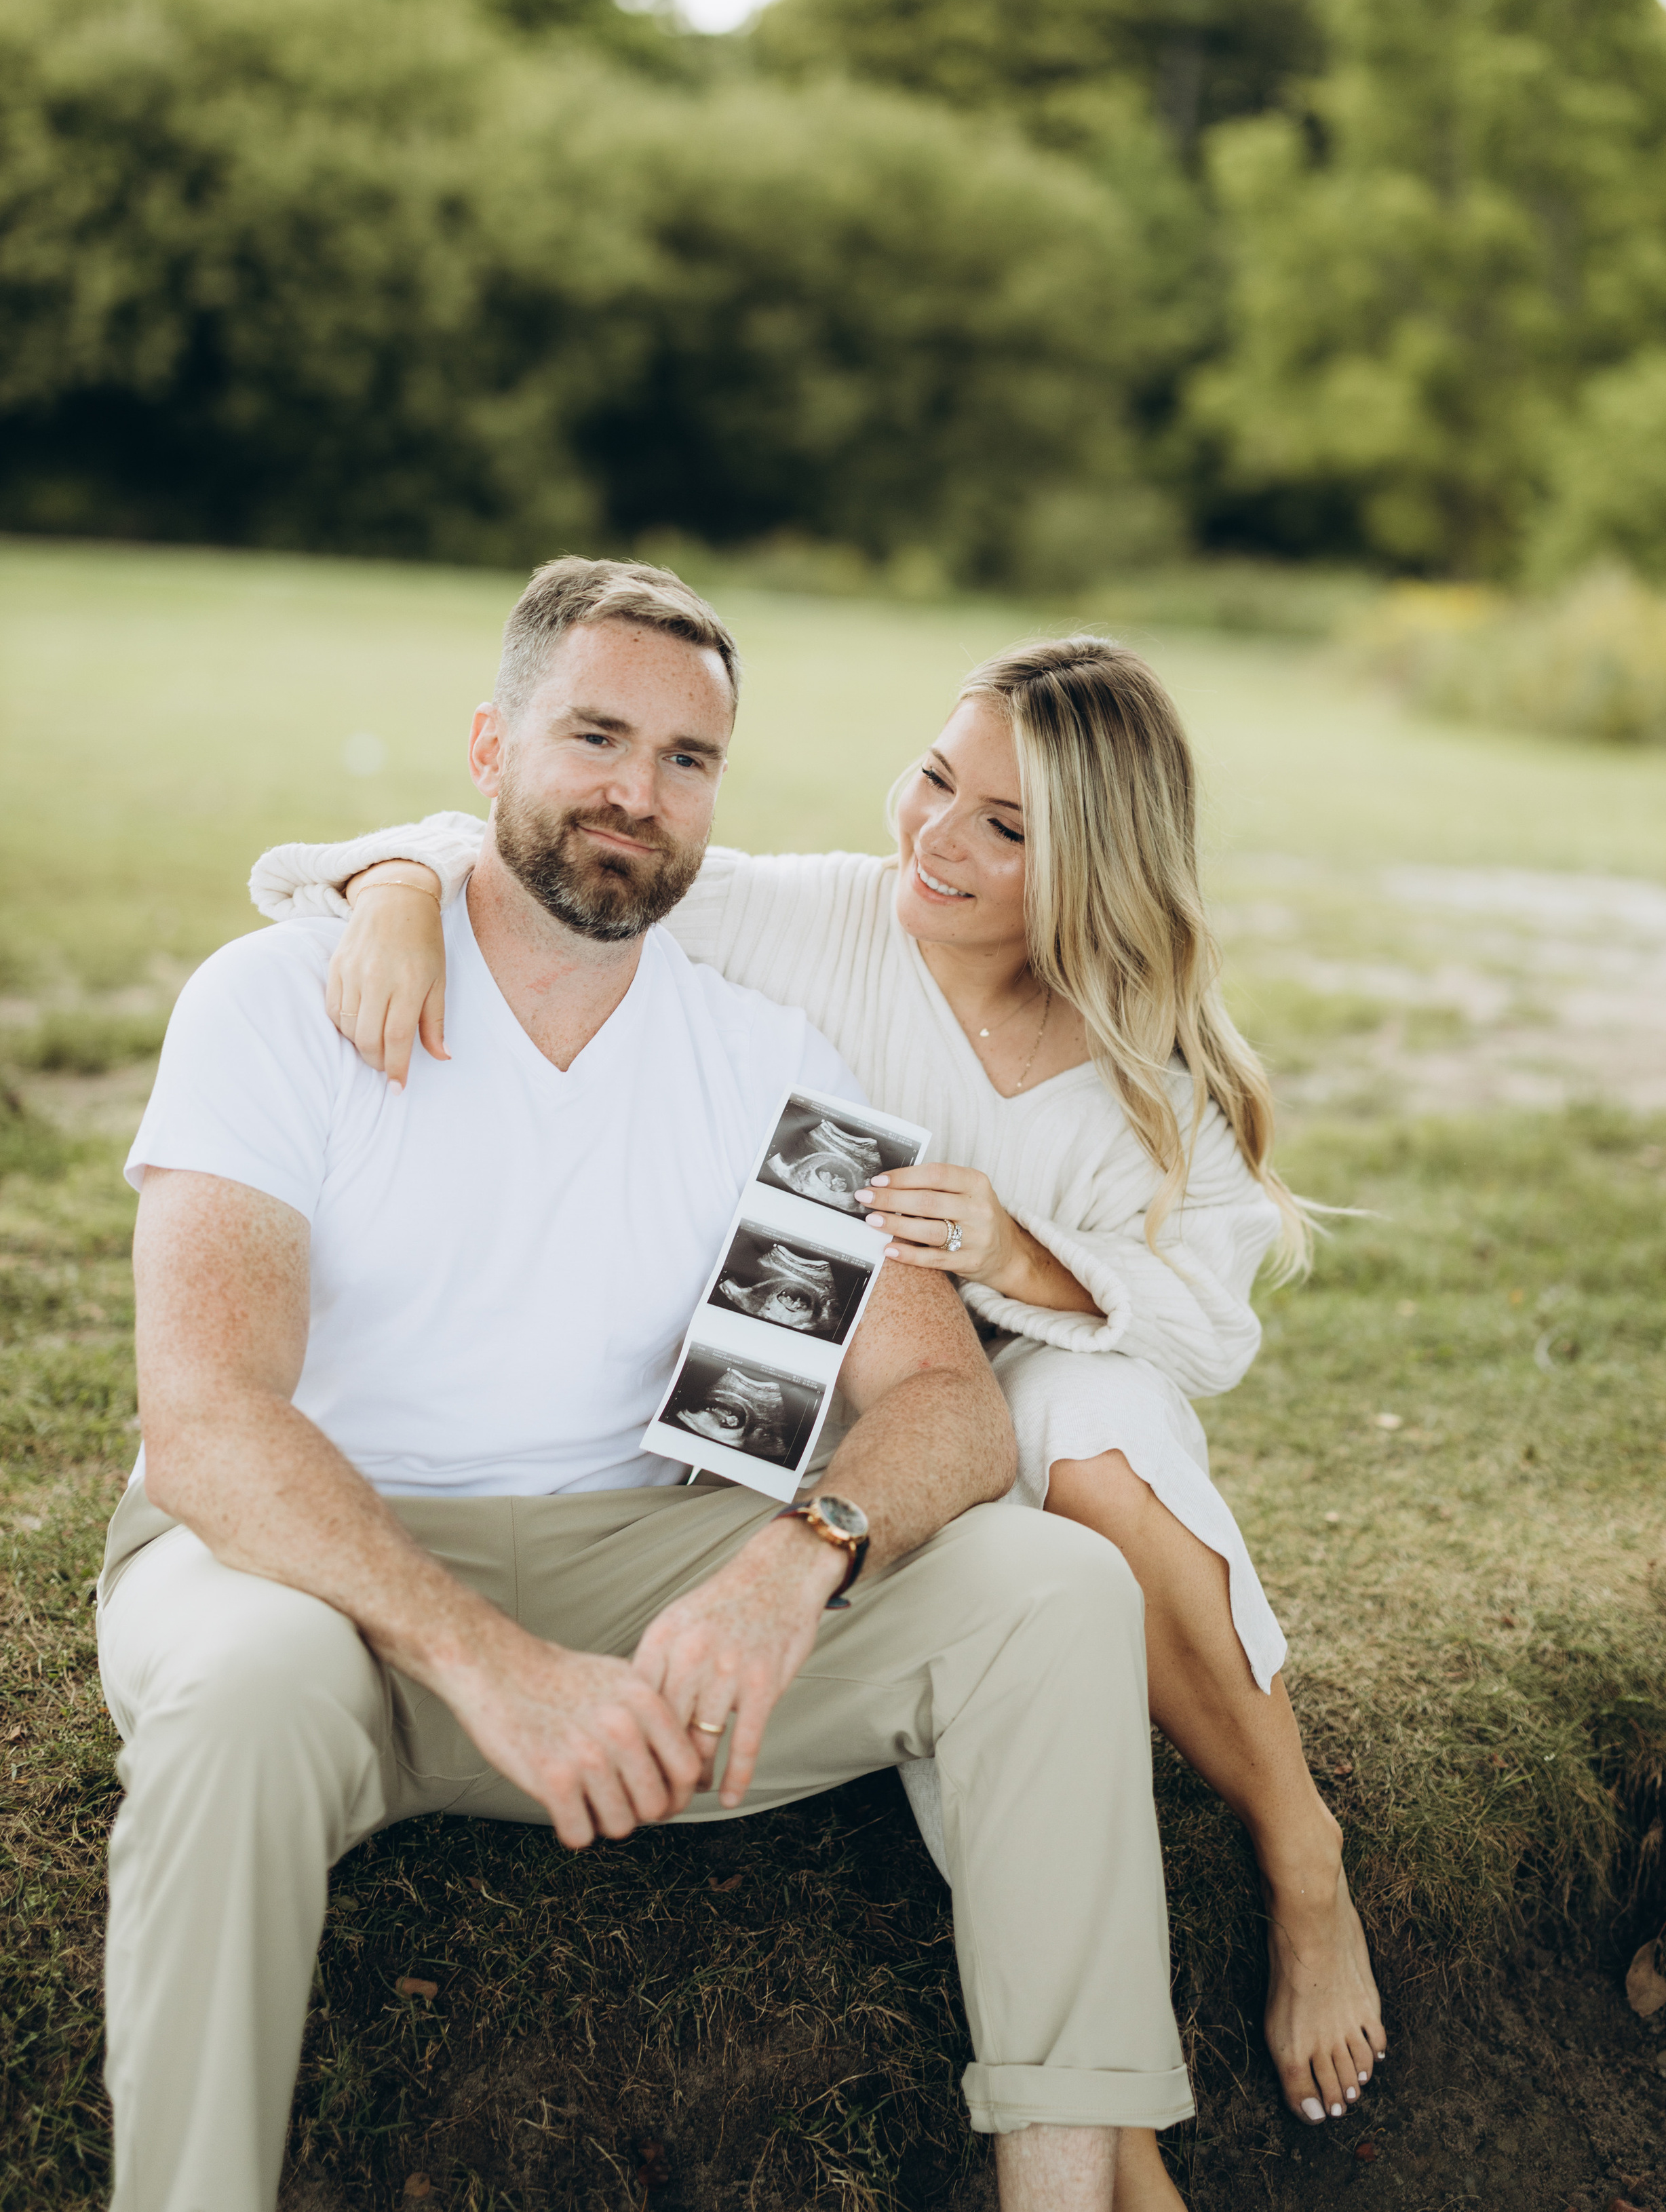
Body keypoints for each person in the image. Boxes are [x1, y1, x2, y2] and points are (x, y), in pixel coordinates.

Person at [103, 559, 1195, 2212]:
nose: (637, 792)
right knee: (241, 1692)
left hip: (649, 1583)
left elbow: (946, 1407)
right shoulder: (278, 1002)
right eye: (595, 736)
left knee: (1046, 1588)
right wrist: (490, 1663)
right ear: (487, 749)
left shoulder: (767, 1062)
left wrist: (792, 1558)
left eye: (687, 760)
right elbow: (204, 1422)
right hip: (313, 1574)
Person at [256, 608, 1389, 2137]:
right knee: (944, 1572)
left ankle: (1298, 1853)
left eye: (1004, 828)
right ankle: (1106, 2154)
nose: (937, 838)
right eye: (931, 781)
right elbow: (564, 840)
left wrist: (1014, 1259)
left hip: (1048, 1383)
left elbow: (1207, 1334)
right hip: (818, 1420)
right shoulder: (803, 917)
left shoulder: (1146, 1055)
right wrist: (388, 882)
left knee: (1088, 1428)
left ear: (1097, 865)